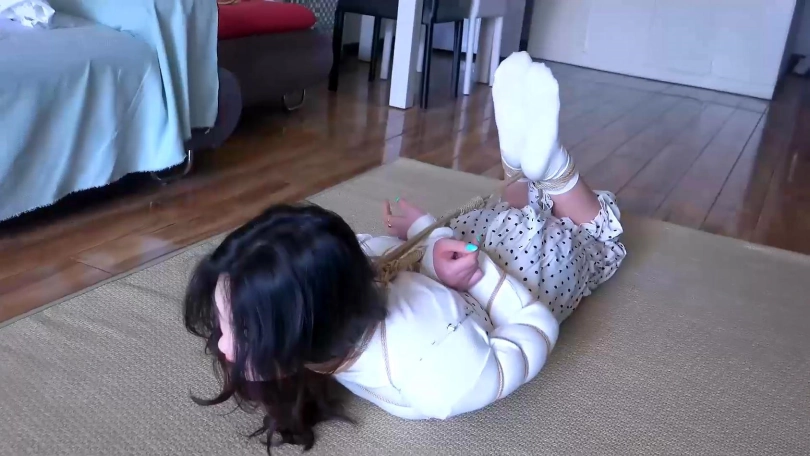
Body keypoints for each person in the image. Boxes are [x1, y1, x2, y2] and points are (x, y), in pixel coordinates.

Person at [183, 52, 627, 452]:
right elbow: (379, 254)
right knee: (501, 220)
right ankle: (524, 169)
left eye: (239, 329)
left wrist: (476, 274)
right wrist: (427, 239)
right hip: (459, 267)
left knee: (593, 243)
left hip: (519, 289)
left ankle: (549, 167)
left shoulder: (436, 378)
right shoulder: (351, 268)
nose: (222, 343)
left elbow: (536, 329)